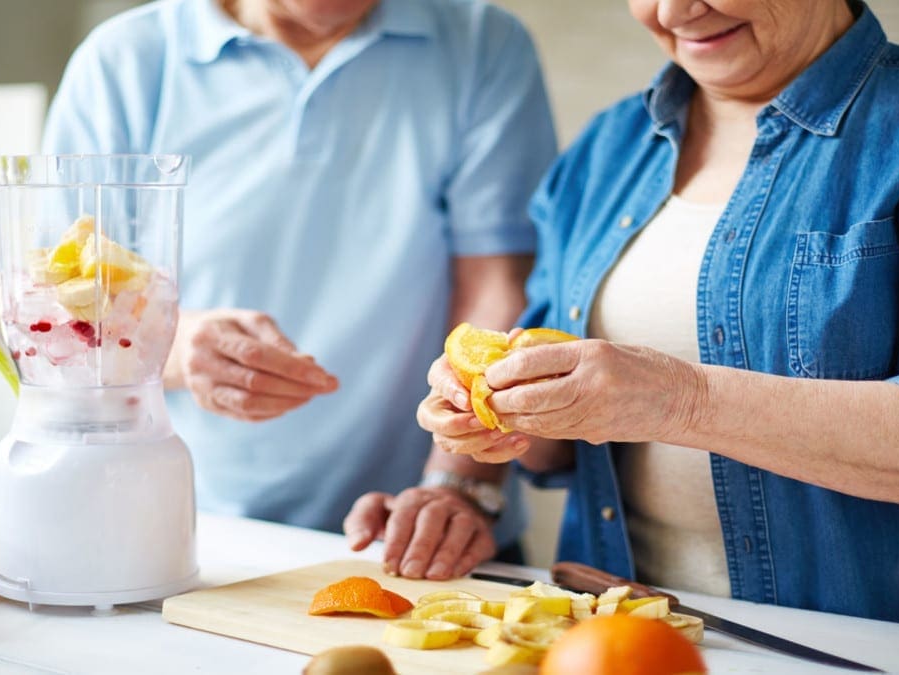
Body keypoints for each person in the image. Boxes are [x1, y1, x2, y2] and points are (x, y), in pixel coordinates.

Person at [409, 0, 899, 623]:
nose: (674, 10)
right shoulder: (607, 147)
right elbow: (558, 447)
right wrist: (500, 418)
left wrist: (681, 401)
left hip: (862, 649)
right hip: (610, 639)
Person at [42, 0, 558, 578]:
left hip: (423, 531)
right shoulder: (126, 60)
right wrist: (180, 347)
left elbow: (497, 286)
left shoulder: (483, 41)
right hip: (188, 529)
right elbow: (61, 304)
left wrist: (458, 484)